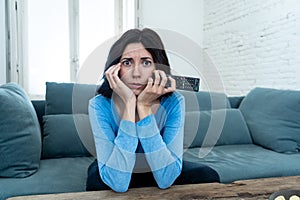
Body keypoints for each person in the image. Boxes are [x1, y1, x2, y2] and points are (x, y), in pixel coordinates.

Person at [86, 28, 185, 192]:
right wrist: (130, 103)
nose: (136, 73)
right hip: (117, 165)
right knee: (95, 181)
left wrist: (144, 107)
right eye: (127, 63)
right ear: (114, 69)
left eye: (146, 62)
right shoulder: (98, 105)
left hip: (157, 165)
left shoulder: (174, 102)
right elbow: (118, 182)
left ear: (157, 68)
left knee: (207, 175)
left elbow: (166, 178)